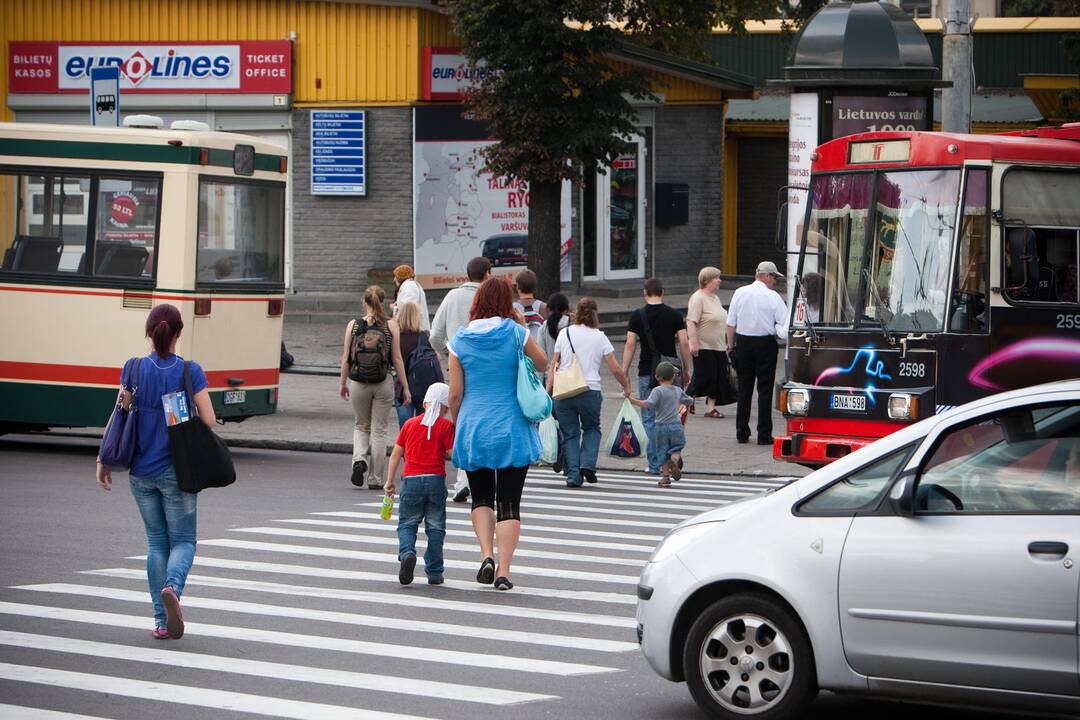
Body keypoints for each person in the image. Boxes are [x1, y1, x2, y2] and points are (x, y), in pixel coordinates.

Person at [95, 303, 217, 640]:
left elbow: (119, 414)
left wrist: (102, 459)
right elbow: (208, 420)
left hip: (140, 472)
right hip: (177, 471)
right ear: (178, 334)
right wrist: (179, 412)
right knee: (183, 541)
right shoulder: (189, 371)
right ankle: (173, 589)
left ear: (150, 333)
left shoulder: (133, 369)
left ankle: (162, 623)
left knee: (156, 543)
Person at [448, 277, 548, 591]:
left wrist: (457, 424)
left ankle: (486, 555)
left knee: (480, 498)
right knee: (509, 504)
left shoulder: (460, 341)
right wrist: (519, 329)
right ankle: (504, 571)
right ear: (507, 303)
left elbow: (455, 394)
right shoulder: (516, 333)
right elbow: (543, 362)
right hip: (512, 429)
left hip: (474, 427)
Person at [548, 298, 631, 487]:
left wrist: (548, 390)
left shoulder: (565, 333)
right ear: (595, 314)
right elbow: (615, 369)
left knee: (570, 434)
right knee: (592, 428)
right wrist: (626, 385)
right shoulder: (599, 336)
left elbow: (554, 364)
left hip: (564, 391)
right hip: (590, 390)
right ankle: (588, 464)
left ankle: (573, 476)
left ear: (576, 312)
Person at [430, 256, 492, 503]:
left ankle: (462, 481)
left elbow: (435, 335)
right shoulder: (490, 297)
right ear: (487, 273)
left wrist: (448, 353)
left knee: (463, 422)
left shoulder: (452, 296)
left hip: (457, 367)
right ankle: (478, 478)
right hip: (487, 370)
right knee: (484, 422)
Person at [341, 285, 411, 489]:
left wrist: (342, 382)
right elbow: (397, 358)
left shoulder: (354, 325)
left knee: (361, 425)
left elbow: (346, 358)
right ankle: (375, 479)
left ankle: (359, 460)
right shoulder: (391, 325)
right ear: (382, 302)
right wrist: (405, 386)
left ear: (364, 302)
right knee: (379, 430)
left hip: (358, 382)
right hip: (383, 382)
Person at [384, 382, 454, 586]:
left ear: (424, 403)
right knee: (435, 527)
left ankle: (407, 553)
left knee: (407, 522)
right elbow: (451, 454)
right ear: (446, 408)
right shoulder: (446, 426)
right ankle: (434, 572)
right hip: (435, 480)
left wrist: (389, 481)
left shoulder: (410, 424)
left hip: (411, 480)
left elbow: (397, 453)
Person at [621, 278, 692, 475]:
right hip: (671, 370)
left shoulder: (637, 315)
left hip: (647, 371)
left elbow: (630, 344)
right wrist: (687, 368)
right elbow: (684, 342)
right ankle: (673, 453)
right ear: (663, 291)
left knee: (650, 419)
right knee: (673, 415)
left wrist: (624, 370)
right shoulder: (675, 315)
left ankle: (655, 463)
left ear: (645, 293)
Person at [726, 261, 789, 446]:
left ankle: (742, 432)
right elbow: (784, 325)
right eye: (774, 278)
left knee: (744, 389)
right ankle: (764, 434)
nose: (775, 282)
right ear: (767, 276)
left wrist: (730, 345)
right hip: (765, 344)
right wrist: (776, 327)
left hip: (744, 342)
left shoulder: (740, 292)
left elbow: (731, 323)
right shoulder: (773, 297)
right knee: (765, 390)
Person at [630, 362, 693, 488]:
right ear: (673, 377)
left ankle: (665, 478)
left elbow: (648, 404)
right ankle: (674, 461)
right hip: (675, 425)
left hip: (660, 427)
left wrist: (633, 401)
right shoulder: (677, 390)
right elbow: (689, 400)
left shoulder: (656, 391)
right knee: (677, 447)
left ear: (657, 377)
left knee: (662, 451)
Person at [686, 266, 735, 419]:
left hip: (718, 345)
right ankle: (686, 399)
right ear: (707, 280)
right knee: (705, 377)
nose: (719, 280)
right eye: (716, 278)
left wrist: (727, 341)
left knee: (719, 377)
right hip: (704, 345)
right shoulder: (698, 298)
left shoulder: (715, 298)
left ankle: (710, 408)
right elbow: (691, 322)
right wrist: (693, 343)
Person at [393, 301, 429, 427]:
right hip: (422, 387)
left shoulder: (395, 337)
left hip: (401, 387)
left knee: (405, 430)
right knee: (422, 428)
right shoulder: (423, 337)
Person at [392, 264, 430, 332]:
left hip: (414, 331)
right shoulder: (412, 285)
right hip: (418, 330)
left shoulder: (408, 287)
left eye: (396, 276)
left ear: (401, 276)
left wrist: (394, 308)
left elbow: (407, 310)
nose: (394, 279)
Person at [513, 268, 548, 341]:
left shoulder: (512, 308)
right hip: (539, 349)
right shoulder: (544, 307)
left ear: (518, 287)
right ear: (534, 287)